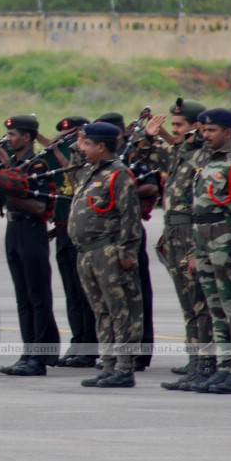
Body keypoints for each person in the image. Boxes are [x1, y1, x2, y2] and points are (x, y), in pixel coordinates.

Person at [143, 99, 216, 390]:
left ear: (196, 127)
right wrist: (149, 136)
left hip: (191, 231)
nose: (173, 130)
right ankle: (195, 361)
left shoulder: (204, 155)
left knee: (199, 301)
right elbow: (152, 159)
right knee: (187, 302)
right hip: (175, 230)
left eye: (179, 125)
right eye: (172, 125)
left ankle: (206, 363)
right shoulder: (182, 152)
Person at [69, 122, 145, 388]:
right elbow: (74, 167)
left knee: (120, 311)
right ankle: (109, 364)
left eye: (88, 145)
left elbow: (130, 216)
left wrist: (126, 251)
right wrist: (78, 146)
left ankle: (124, 368)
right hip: (87, 253)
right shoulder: (90, 172)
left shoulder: (118, 175)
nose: (83, 149)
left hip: (109, 252)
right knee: (101, 311)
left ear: (101, 147)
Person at [0, 114, 60, 376]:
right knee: (23, 296)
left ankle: (39, 357)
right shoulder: (13, 163)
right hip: (14, 229)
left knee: (37, 295)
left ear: (28, 137)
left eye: (13, 135)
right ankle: (27, 351)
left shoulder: (38, 166)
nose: (8, 139)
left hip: (32, 230)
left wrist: (8, 191)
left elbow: (39, 206)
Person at [96, 111, 156, 371]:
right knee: (110, 300)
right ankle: (114, 354)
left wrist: (117, 190)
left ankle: (139, 354)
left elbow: (151, 186)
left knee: (136, 294)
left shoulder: (131, 157)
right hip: (106, 237)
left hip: (128, 233)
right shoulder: (101, 162)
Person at [188, 108, 231, 394]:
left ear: (229, 132)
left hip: (225, 236)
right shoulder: (205, 161)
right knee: (215, 306)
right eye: (203, 131)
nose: (205, 135)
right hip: (203, 236)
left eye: (212, 131)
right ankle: (224, 366)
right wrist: (196, 251)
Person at [45, 116, 97, 368]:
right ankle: (78, 341)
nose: (66, 137)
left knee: (85, 292)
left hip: (82, 234)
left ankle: (89, 346)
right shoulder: (55, 154)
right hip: (63, 229)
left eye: (71, 133)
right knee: (71, 293)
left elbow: (75, 180)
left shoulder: (86, 158)